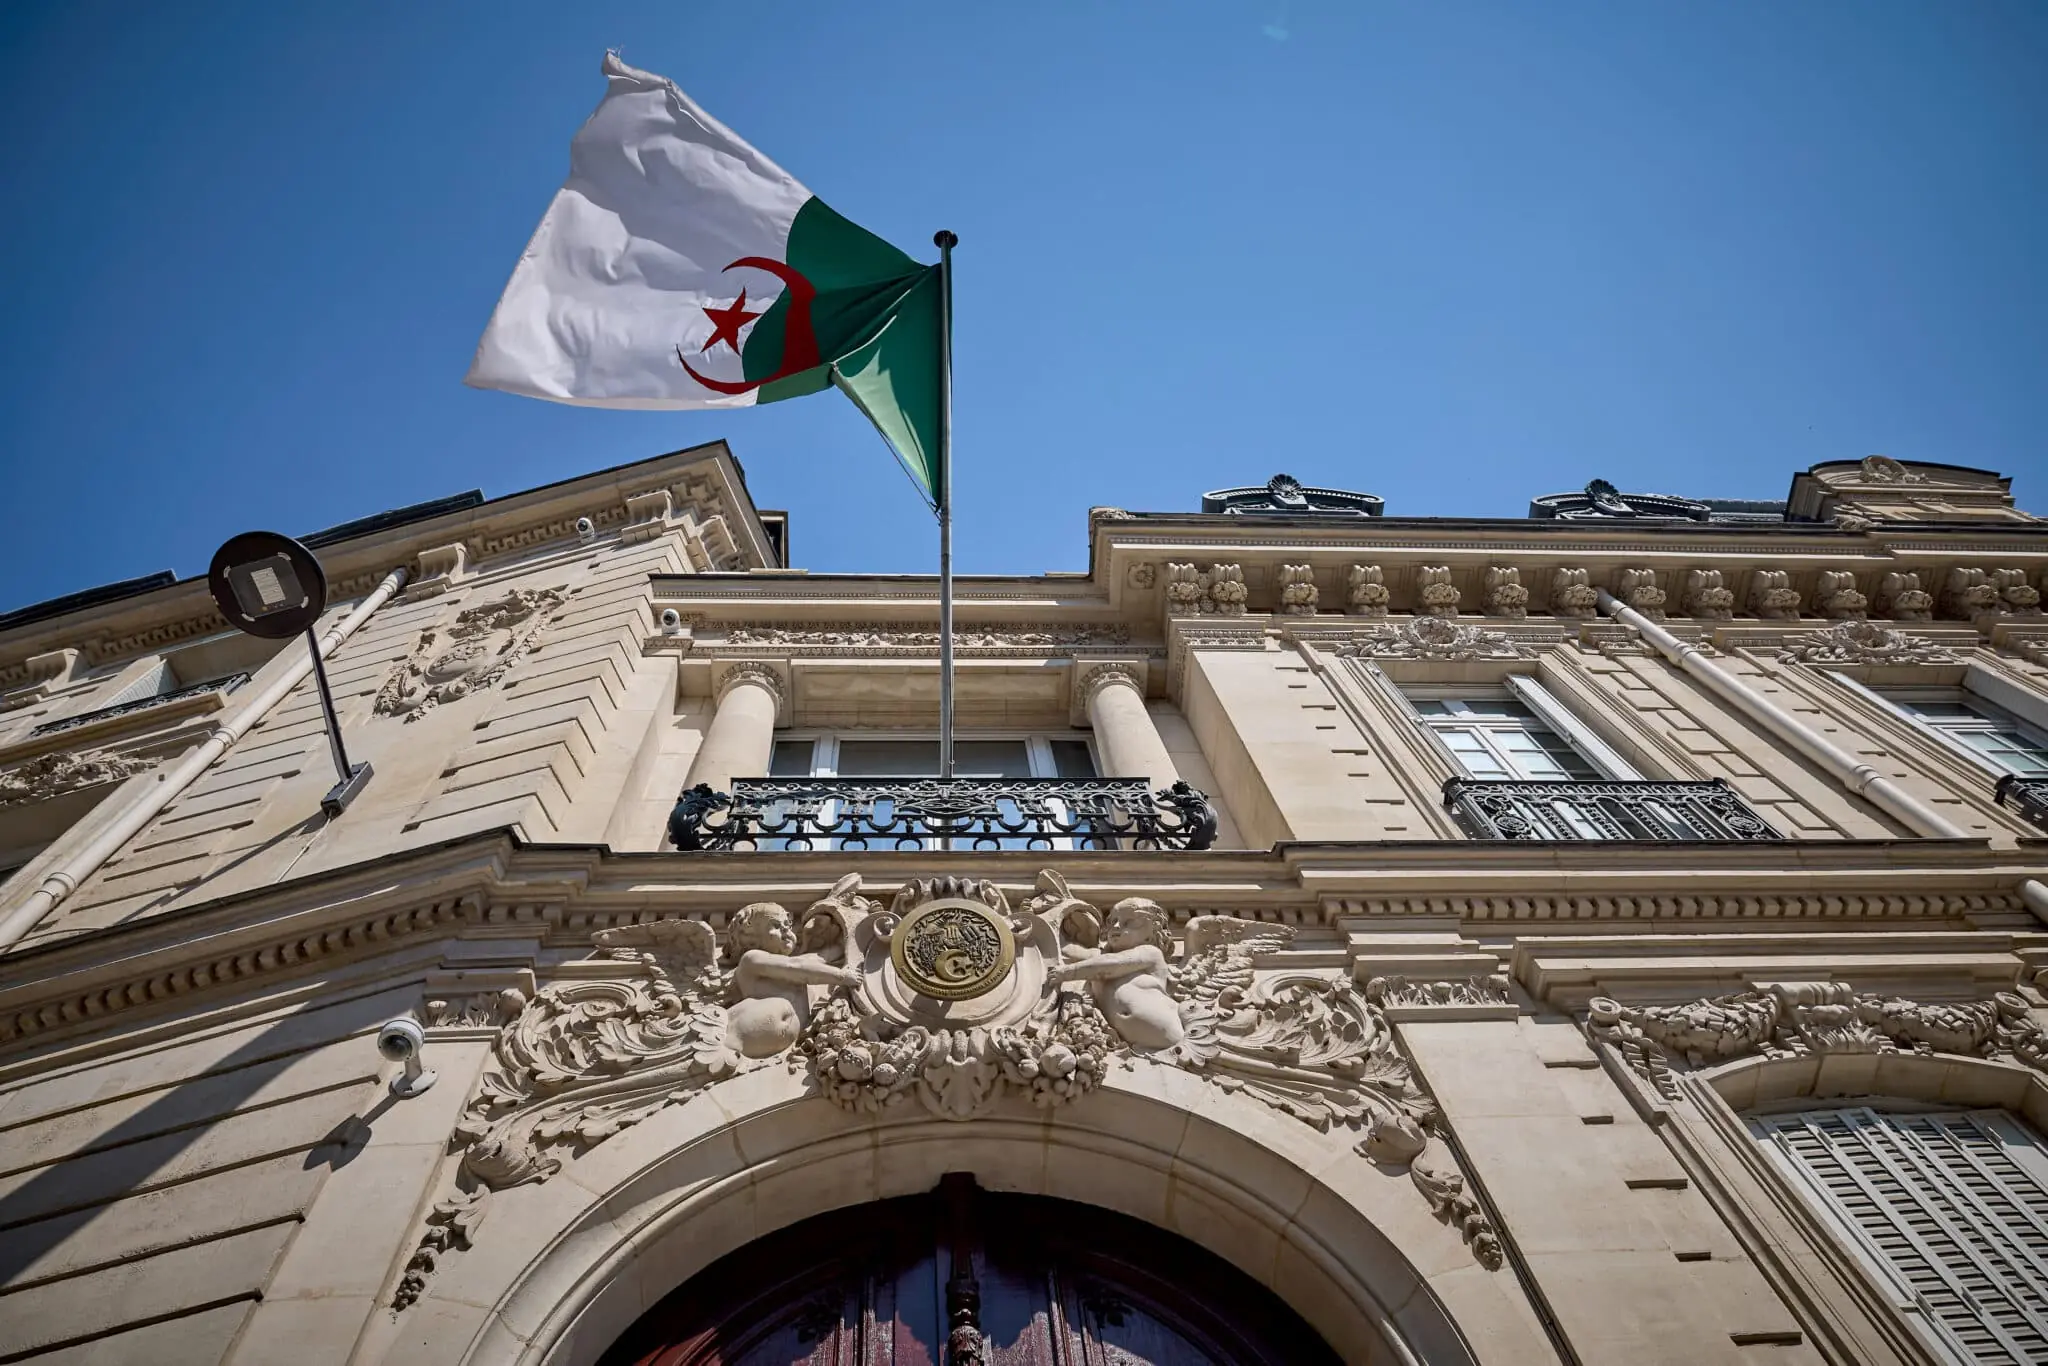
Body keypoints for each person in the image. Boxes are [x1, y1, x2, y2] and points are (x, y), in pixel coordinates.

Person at [726, 903, 863, 1058]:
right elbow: (795, 967)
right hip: (737, 1039)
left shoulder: (799, 962)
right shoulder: (752, 959)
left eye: (787, 925)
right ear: (752, 939)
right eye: (776, 926)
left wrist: (853, 933)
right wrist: (841, 976)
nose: (785, 930)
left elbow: (820, 958)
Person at [1047, 897, 1184, 1050]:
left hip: (1173, 1040)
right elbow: (1062, 948)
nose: (1116, 926)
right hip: (1134, 1046)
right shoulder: (1096, 958)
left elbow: (1114, 964)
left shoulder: (1151, 953)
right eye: (1113, 921)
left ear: (1150, 933)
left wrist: (1068, 972)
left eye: (1129, 922)